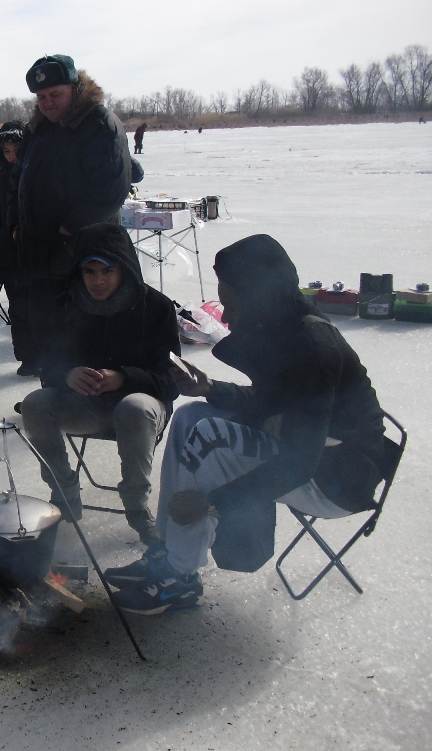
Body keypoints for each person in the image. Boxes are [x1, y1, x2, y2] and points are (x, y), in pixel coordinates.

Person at [106, 235, 387, 614]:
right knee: (192, 415)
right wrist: (210, 388)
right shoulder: (283, 330)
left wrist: (210, 501)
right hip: (312, 453)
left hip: (336, 476)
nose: (223, 316)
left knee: (209, 437)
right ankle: (171, 552)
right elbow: (272, 404)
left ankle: (179, 577)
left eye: (232, 304)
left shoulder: (312, 345)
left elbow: (299, 460)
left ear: (260, 296)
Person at [22, 223, 179, 542]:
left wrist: (124, 377)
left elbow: (171, 382)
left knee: (135, 407)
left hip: (142, 409)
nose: (98, 281)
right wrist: (67, 374)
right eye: (89, 272)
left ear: (125, 268)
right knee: (34, 404)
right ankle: (64, 495)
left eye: (107, 271)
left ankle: (136, 508)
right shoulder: (67, 304)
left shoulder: (157, 308)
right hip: (87, 407)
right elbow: (48, 364)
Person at [8, 54, 133, 370]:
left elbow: (109, 191)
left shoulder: (98, 124)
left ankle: (85, 405)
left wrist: (68, 229)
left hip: (85, 255)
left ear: (75, 89)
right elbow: (20, 178)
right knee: (48, 332)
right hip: (42, 254)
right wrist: (19, 224)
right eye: (41, 97)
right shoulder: (39, 130)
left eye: (55, 94)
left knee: (84, 336)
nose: (47, 103)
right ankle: (53, 397)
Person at [0, 121, 37, 376]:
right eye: (6, 151)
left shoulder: (39, 174)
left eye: (17, 149)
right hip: (9, 255)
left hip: (38, 253)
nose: (12, 156)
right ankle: (27, 358)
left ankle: (50, 358)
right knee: (18, 311)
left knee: (40, 307)